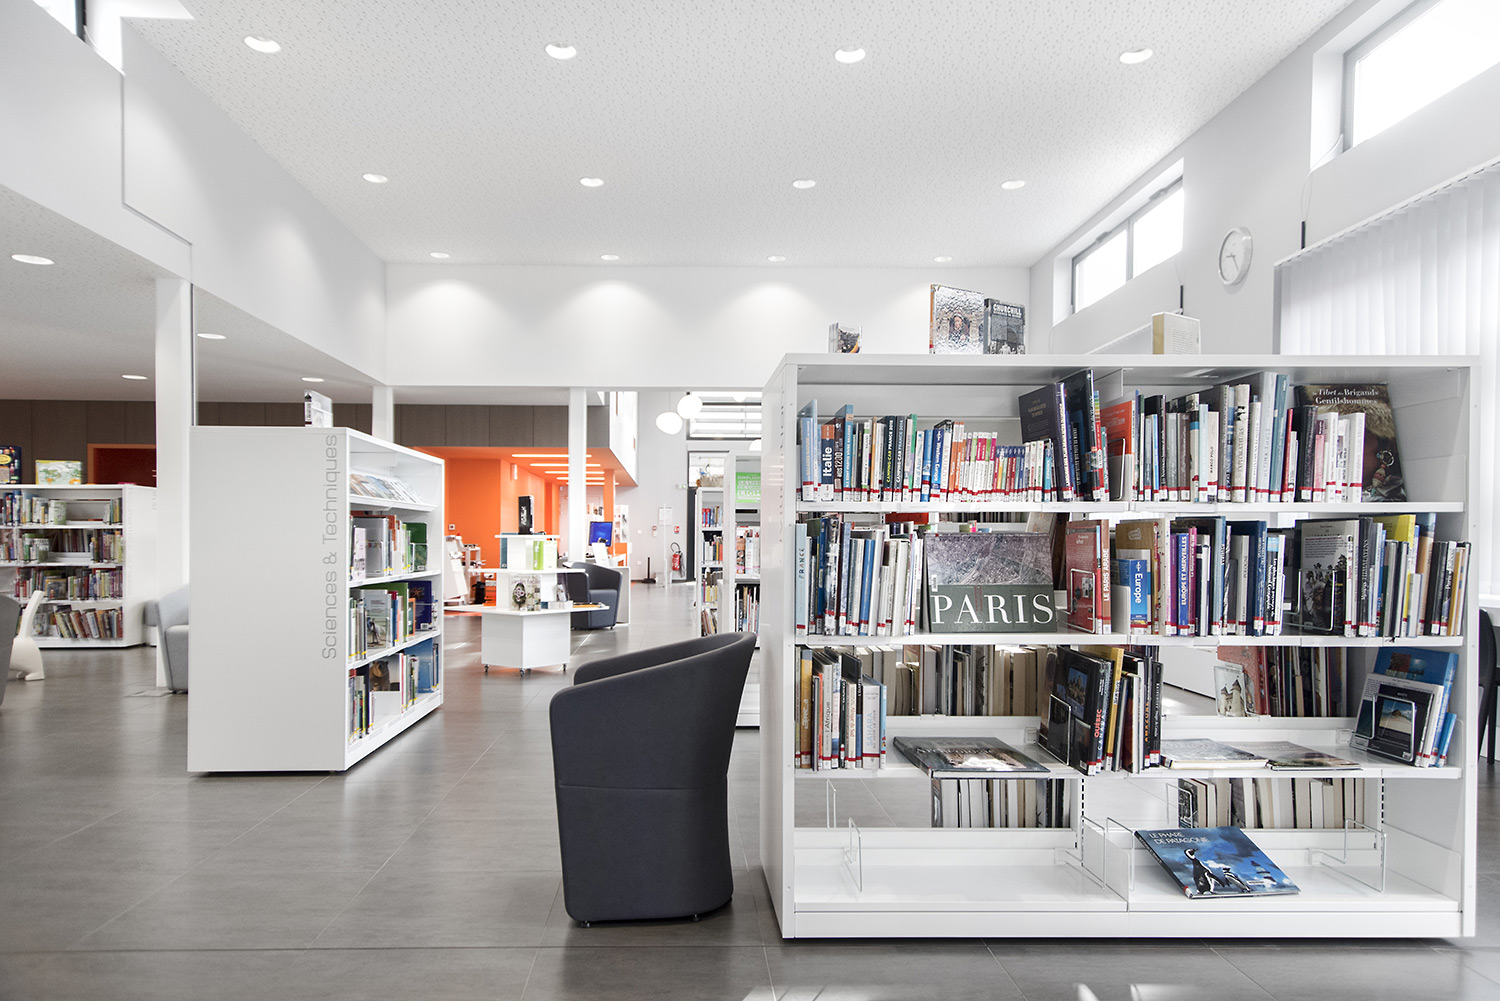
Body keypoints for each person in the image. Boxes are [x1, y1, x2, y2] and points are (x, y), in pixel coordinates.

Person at [1184, 847, 1253, 894]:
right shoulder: (1200, 867)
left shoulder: (1196, 867)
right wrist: (1220, 882)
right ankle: (1210, 891)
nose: (1193, 850)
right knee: (1207, 875)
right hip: (1206, 887)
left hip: (1200, 887)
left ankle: (1201, 891)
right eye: (1191, 850)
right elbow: (1210, 875)